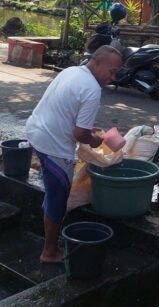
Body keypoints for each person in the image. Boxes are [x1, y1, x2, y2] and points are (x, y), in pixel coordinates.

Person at [25, 45, 123, 263]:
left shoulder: (71, 71)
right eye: (111, 71)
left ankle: (48, 216)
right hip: (53, 145)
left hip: (35, 132)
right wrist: (95, 140)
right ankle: (49, 252)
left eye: (116, 73)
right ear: (96, 63)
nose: (113, 77)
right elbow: (80, 134)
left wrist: (87, 130)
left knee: (53, 192)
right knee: (59, 199)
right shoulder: (92, 89)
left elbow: (68, 113)